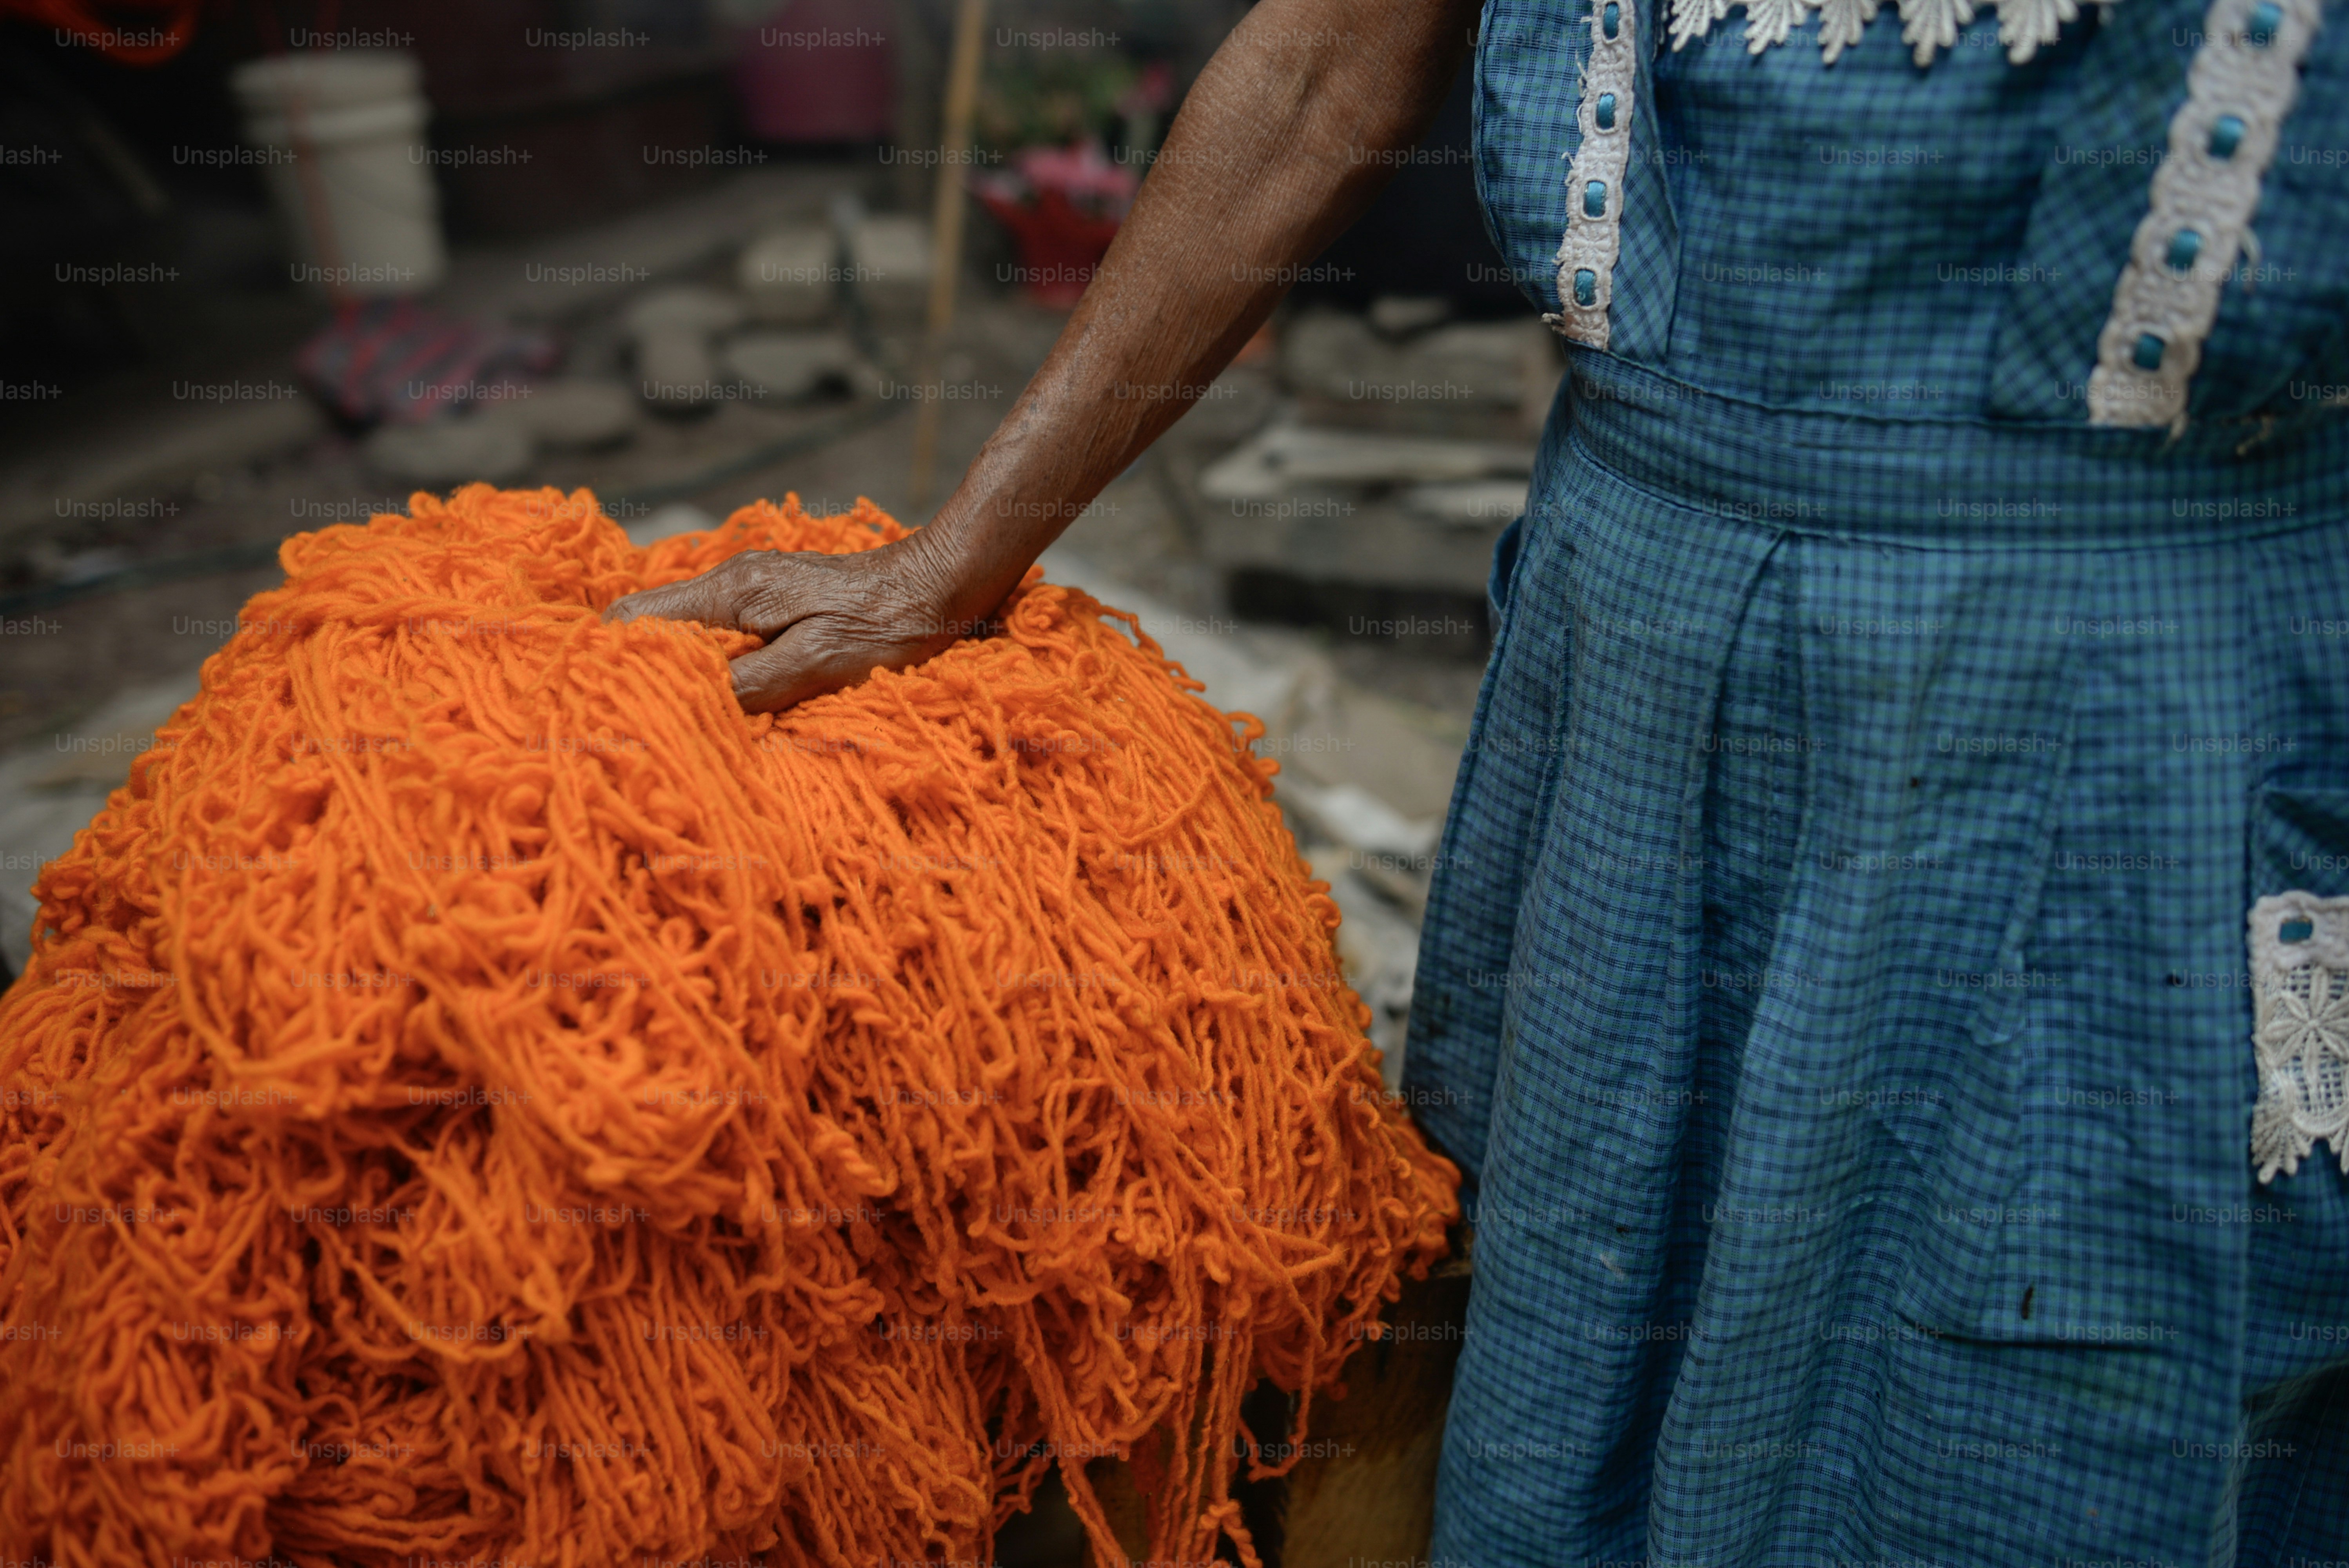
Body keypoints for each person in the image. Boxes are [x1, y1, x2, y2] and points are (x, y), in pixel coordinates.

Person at [609, 0, 2349, 1559]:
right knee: (1582, 1270)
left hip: (2133, 699)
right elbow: (1315, 66)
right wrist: (953, 561)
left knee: (2054, 1326)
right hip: (1637, 650)